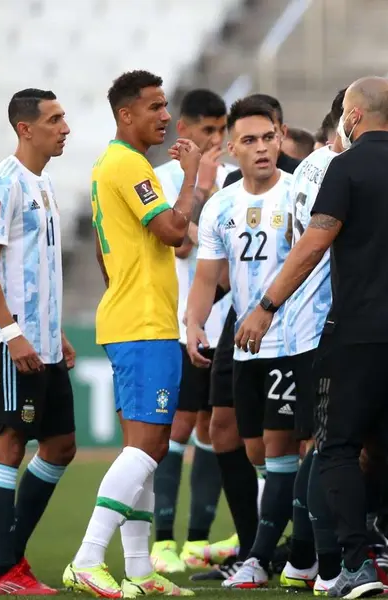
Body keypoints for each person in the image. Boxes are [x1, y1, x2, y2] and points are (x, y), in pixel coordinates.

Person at [235, 76, 388, 598]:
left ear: (352, 115)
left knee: (337, 446)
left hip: (358, 332)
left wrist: (265, 307)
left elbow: (312, 245)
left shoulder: (345, 169)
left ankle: (355, 563)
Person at [63, 70, 198, 598]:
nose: (165, 115)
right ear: (127, 114)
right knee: (147, 447)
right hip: (143, 324)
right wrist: (190, 179)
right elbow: (171, 231)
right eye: (156, 107)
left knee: (147, 448)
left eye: (165, 106)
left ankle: (139, 571)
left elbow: (104, 250)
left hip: (134, 319)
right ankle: (87, 558)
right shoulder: (128, 163)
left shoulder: (108, 165)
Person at [185, 95, 304, 590]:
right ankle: (276, 545)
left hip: (294, 338)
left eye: (268, 138)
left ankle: (273, 555)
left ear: (279, 138)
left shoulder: (300, 196)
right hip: (240, 336)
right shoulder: (221, 205)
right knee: (244, 444)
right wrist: (194, 323)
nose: (261, 148)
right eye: (249, 141)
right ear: (231, 148)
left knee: (278, 449)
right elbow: (208, 276)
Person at [0, 88, 76, 595]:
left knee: (60, 447)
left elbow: (37, 269)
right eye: (55, 119)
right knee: (8, 445)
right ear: (25, 128)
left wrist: (54, 331)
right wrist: (13, 335)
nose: (65, 127)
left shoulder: (46, 183)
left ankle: (6, 551)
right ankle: (7, 572)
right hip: (15, 344)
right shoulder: (3, 182)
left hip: (45, 344)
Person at [150, 88, 236, 575]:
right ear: (183, 131)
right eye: (207, 132)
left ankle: (197, 540)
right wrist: (199, 185)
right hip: (180, 320)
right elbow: (180, 246)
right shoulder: (165, 181)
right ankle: (163, 539)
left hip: (224, 326)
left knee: (213, 428)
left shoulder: (236, 181)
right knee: (176, 428)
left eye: (221, 131)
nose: (216, 141)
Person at [278, 91, 348, 596]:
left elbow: (290, 236)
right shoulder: (335, 169)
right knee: (330, 445)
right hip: (324, 317)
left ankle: (303, 560)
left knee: (320, 443)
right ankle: (322, 565)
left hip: (307, 319)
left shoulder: (308, 167)